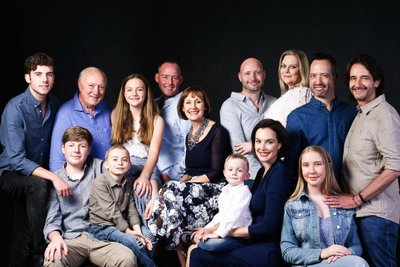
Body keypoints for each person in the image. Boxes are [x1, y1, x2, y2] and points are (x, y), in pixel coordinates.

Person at [324, 54, 400, 267]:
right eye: (353, 78)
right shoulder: (361, 114)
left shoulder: (384, 114)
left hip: (376, 215)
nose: (357, 84)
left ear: (376, 82)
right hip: (360, 214)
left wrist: (357, 199)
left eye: (364, 78)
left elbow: (395, 167)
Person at [190, 119, 294, 267]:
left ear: (279, 144)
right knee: (197, 249)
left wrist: (225, 231)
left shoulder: (279, 174)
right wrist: (210, 228)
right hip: (251, 240)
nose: (262, 147)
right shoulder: (262, 171)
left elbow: (269, 227)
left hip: (267, 248)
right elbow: (237, 212)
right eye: (258, 141)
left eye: (269, 142)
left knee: (199, 254)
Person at [0, 52, 71, 267]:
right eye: (38, 74)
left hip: (37, 176)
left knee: (22, 230)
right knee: (40, 185)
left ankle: (30, 254)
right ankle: (41, 248)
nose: (45, 79)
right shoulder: (15, 108)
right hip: (11, 173)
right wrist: (53, 177)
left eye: (49, 74)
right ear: (28, 78)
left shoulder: (55, 103)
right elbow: (16, 159)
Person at [148, 86, 231, 267]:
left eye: (198, 101)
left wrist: (185, 183)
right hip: (194, 187)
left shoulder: (218, 131)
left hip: (214, 189)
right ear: (183, 109)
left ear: (205, 106)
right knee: (169, 191)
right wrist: (179, 181)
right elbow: (190, 171)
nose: (193, 106)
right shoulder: (189, 135)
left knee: (171, 192)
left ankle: (157, 239)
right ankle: (181, 255)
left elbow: (215, 172)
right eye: (188, 102)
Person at [44, 127, 136, 267]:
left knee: (127, 258)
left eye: (82, 146)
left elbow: (127, 166)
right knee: (53, 260)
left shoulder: (100, 167)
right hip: (71, 239)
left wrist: (149, 177)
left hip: (102, 237)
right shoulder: (56, 180)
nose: (76, 150)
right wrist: (56, 239)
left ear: (89, 150)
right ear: (63, 149)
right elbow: (52, 219)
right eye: (71, 145)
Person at [280, 145, 369, 267]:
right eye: (306, 165)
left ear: (329, 165)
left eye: (317, 164)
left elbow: (356, 245)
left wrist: (342, 253)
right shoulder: (292, 206)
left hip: (340, 262)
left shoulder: (343, 202)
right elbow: (287, 251)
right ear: (301, 169)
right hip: (308, 265)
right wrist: (323, 253)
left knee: (357, 263)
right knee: (358, 264)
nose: (311, 171)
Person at [286, 53, 357, 181]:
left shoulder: (352, 113)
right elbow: (290, 166)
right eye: (313, 76)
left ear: (335, 77)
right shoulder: (296, 117)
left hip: (348, 192)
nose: (317, 82)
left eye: (324, 76)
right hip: (312, 195)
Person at [111, 73, 163, 235]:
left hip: (146, 166)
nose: (134, 94)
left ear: (146, 92)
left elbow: (153, 153)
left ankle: (149, 233)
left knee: (146, 191)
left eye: (139, 89)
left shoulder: (156, 120)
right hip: (125, 165)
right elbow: (117, 149)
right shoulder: (116, 115)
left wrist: (145, 176)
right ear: (124, 94)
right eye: (130, 90)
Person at [89, 145, 156, 267]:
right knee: (134, 242)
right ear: (106, 164)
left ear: (130, 164)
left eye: (124, 160)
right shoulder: (100, 182)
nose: (120, 163)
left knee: (150, 237)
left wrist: (138, 231)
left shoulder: (127, 183)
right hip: (103, 227)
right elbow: (111, 211)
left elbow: (131, 209)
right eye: (114, 159)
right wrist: (129, 232)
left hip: (124, 224)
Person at [185, 153, 252, 265]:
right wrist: (206, 229)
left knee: (205, 244)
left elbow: (233, 217)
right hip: (226, 231)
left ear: (247, 175)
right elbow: (221, 215)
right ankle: (196, 241)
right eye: (230, 169)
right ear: (224, 173)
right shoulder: (225, 191)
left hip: (238, 236)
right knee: (194, 246)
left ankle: (198, 242)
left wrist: (217, 234)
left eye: (239, 170)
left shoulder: (243, 192)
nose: (234, 173)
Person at [220, 57, 277, 180]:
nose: (253, 78)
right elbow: (239, 150)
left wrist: (252, 146)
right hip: (248, 176)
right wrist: (262, 175)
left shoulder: (275, 103)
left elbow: (282, 143)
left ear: (264, 74)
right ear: (240, 77)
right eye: (247, 73)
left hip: (277, 172)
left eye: (257, 72)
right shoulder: (230, 106)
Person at [50, 66, 111, 171]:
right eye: (91, 86)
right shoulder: (65, 113)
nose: (96, 92)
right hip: (84, 180)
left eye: (101, 87)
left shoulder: (108, 109)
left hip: (112, 176)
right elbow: (57, 158)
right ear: (80, 85)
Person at [154, 61, 191, 183]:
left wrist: (172, 173)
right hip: (153, 172)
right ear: (157, 78)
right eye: (165, 77)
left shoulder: (186, 105)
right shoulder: (152, 105)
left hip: (173, 176)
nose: (169, 83)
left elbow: (192, 146)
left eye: (174, 78)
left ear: (180, 80)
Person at [263, 49, 313, 127]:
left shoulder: (303, 94)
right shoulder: (286, 96)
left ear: (302, 70)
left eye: (292, 67)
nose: (286, 71)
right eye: (283, 66)